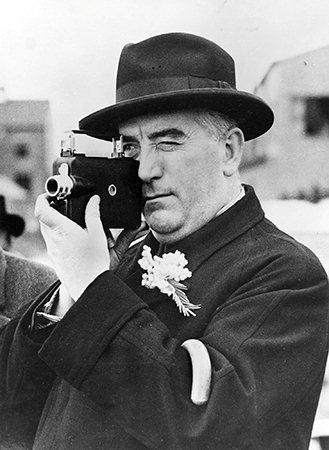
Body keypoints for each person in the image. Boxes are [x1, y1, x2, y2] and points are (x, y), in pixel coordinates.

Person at [0, 32, 328, 449]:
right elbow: (11, 408)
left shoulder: (286, 273)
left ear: (229, 151)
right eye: (131, 146)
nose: (143, 170)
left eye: (168, 142)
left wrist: (91, 292)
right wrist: (69, 293)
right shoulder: (123, 256)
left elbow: (205, 427)